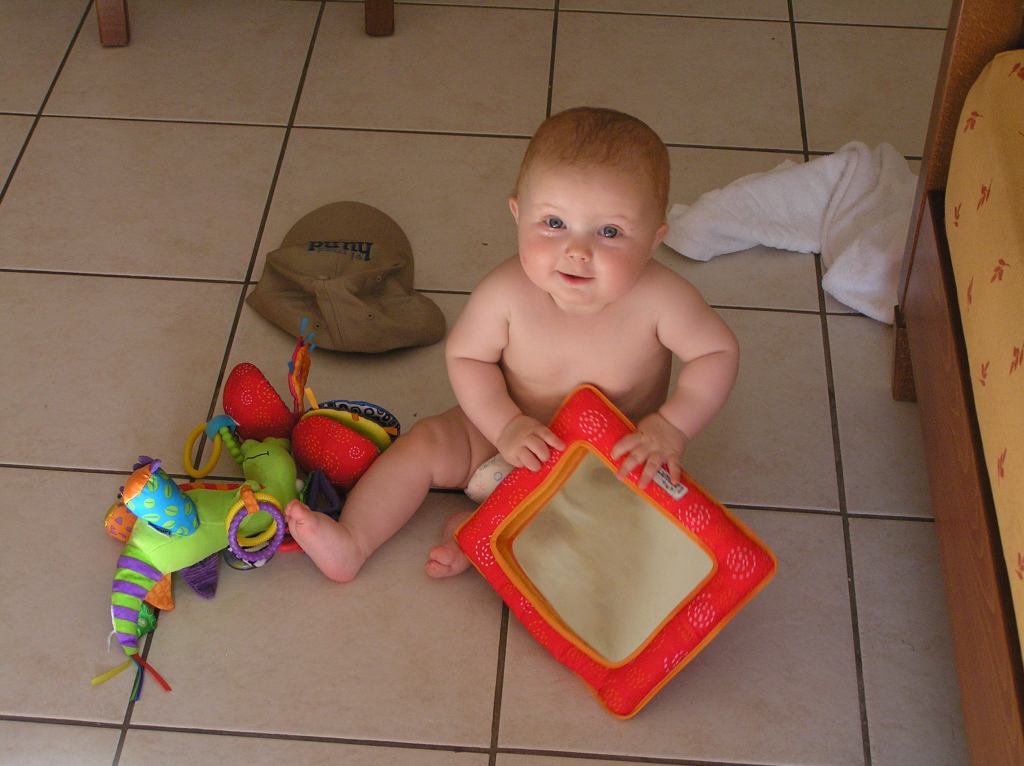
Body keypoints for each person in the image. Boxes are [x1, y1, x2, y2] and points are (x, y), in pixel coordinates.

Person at [285, 106, 739, 582]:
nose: (577, 250)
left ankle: (478, 535)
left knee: (621, 541)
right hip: (502, 430)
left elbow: (716, 352)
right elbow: (467, 357)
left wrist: (670, 426)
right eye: (554, 223)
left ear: (653, 239)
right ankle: (354, 540)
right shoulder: (505, 293)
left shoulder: (662, 300)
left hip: (608, 459)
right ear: (518, 214)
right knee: (424, 444)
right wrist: (506, 426)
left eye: (610, 232)